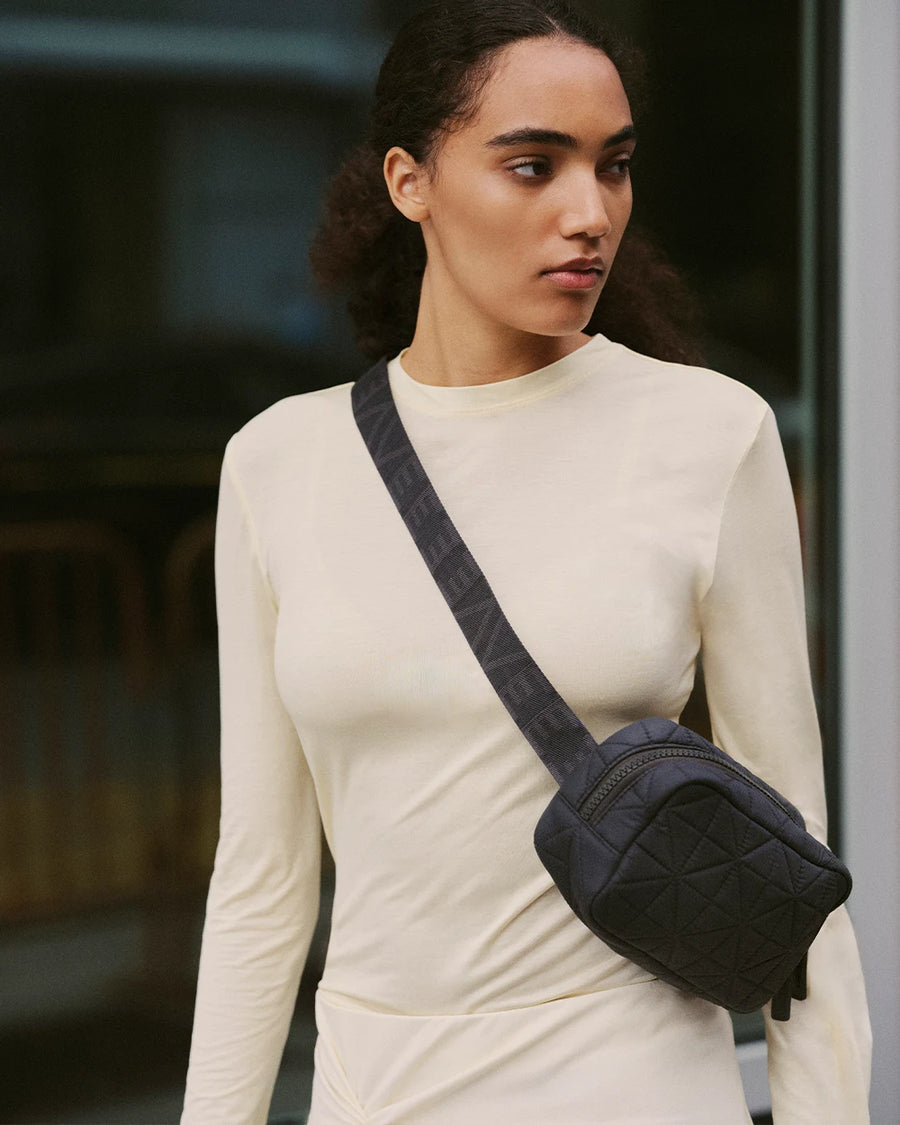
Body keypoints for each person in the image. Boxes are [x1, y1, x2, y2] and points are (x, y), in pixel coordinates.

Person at [181, 2, 871, 1122]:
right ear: (411, 181)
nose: (589, 212)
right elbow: (261, 883)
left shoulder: (707, 435)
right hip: (373, 1088)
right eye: (533, 166)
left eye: (615, 167)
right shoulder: (278, 462)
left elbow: (799, 880)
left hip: (632, 1085)